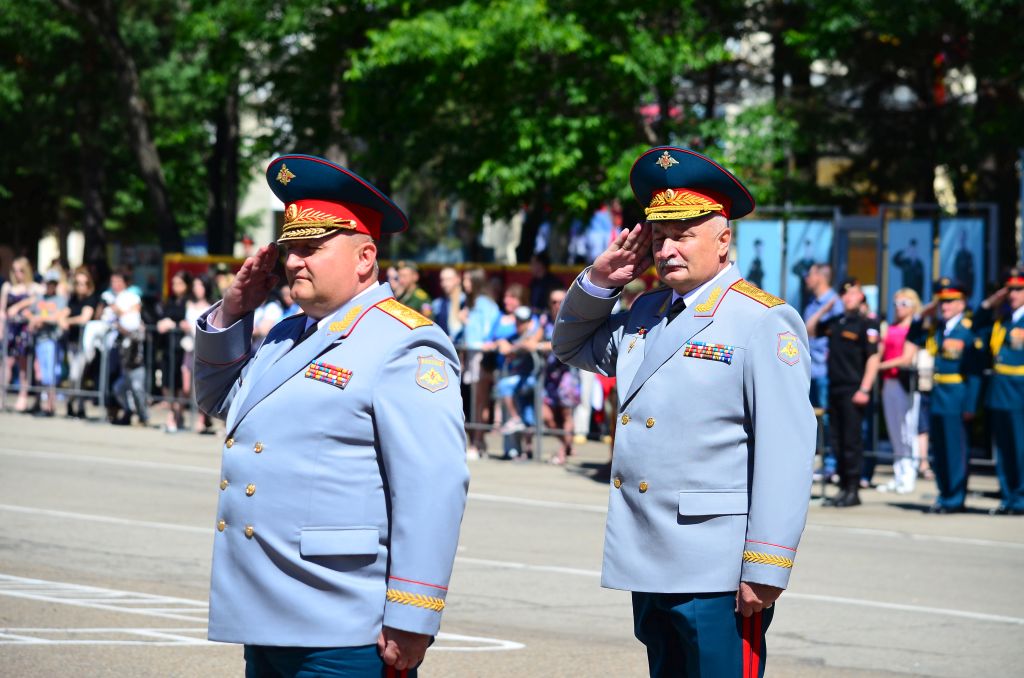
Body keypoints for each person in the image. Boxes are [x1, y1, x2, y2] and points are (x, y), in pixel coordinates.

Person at [192, 154, 468, 676]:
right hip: (265, 610)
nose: (294, 262)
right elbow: (217, 400)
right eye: (291, 249)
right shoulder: (283, 335)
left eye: (312, 248)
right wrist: (231, 313)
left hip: (341, 621)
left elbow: (432, 484)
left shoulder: (404, 344)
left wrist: (414, 614)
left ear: (365, 257)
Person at [552, 146, 815, 677]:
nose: (667, 247)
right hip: (649, 551)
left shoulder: (760, 320)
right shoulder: (645, 310)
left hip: (715, 564)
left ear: (723, 241)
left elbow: (786, 450)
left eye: (683, 234)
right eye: (659, 234)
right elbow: (572, 347)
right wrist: (601, 283)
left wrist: (766, 563)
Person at [908, 278, 982, 513]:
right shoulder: (937, 328)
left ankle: (955, 498)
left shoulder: (968, 330)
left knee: (955, 450)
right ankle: (944, 494)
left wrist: (970, 404)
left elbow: (975, 373)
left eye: (951, 301)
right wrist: (921, 314)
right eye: (942, 301)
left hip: (956, 396)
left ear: (963, 303)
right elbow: (913, 336)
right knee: (939, 450)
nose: (945, 306)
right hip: (938, 395)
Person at [806, 278, 880, 507]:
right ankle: (842, 488)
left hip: (854, 388)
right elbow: (810, 329)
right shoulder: (836, 321)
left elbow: (873, 358)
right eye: (845, 294)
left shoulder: (867, 324)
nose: (849, 298)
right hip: (835, 388)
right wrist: (827, 307)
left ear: (861, 298)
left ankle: (852, 489)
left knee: (851, 441)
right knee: (836, 441)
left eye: (854, 294)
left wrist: (865, 388)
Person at [974, 270, 1024, 515]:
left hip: (1020, 392)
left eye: (1018, 289)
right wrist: (992, 301)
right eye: (1010, 290)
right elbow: (976, 323)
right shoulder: (1002, 321)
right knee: (1003, 450)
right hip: (1000, 392)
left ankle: (1021, 498)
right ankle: (1009, 497)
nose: (1013, 295)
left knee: (1020, 448)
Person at [875, 288, 922, 494]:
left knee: (907, 430)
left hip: (905, 382)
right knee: (894, 430)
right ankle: (898, 473)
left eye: (904, 303)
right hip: (889, 382)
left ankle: (909, 474)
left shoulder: (915, 327)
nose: (899, 307)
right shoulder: (890, 327)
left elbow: (907, 358)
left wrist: (879, 366)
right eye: (896, 303)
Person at [802, 263, 842, 482]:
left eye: (809, 274)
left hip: (826, 370)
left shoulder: (834, 303)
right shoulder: (812, 303)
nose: (806, 278)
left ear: (820, 276)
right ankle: (820, 461)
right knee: (813, 419)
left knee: (828, 419)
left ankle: (831, 464)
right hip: (812, 369)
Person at [459, 267, 501, 459]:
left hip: (480, 354)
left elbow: (489, 327)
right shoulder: (470, 302)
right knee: (476, 399)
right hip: (471, 353)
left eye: (467, 280)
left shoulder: (484, 303)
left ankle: (477, 441)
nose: (464, 283)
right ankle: (478, 441)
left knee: (480, 399)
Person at [26, 270, 68, 415]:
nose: (51, 286)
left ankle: (50, 405)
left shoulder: (60, 299)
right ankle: (38, 402)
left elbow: (58, 316)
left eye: (53, 283)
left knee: (50, 374)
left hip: (52, 340)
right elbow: (29, 312)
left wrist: (41, 319)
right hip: (39, 339)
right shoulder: (40, 298)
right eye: (49, 283)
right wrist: (33, 319)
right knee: (39, 374)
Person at [154, 270, 191, 432]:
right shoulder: (169, 301)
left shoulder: (188, 302)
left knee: (180, 384)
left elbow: (187, 323)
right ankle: (173, 413)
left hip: (182, 347)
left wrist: (174, 325)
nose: (176, 287)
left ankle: (177, 414)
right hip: (168, 346)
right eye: (174, 283)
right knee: (167, 383)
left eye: (179, 283)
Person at [1, 256, 39, 412]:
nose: (17, 274)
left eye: (21, 270)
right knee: (6, 363)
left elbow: (38, 298)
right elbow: (2, 310)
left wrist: (19, 305)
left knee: (23, 364)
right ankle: (2, 394)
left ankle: (23, 396)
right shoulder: (7, 287)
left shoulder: (33, 288)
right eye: (14, 270)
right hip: (10, 328)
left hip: (24, 329)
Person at [62, 267, 99, 418]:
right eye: (77, 283)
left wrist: (67, 321)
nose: (80, 286)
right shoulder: (72, 299)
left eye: (83, 283)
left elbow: (84, 318)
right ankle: (76, 404)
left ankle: (75, 403)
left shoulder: (92, 299)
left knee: (77, 375)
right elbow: (63, 313)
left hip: (85, 344)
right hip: (72, 342)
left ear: (89, 285)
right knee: (75, 376)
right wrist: (60, 318)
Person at [430, 266, 465, 340]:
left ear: (458, 279)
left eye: (448, 279)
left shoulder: (465, 302)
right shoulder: (437, 304)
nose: (444, 284)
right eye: (442, 280)